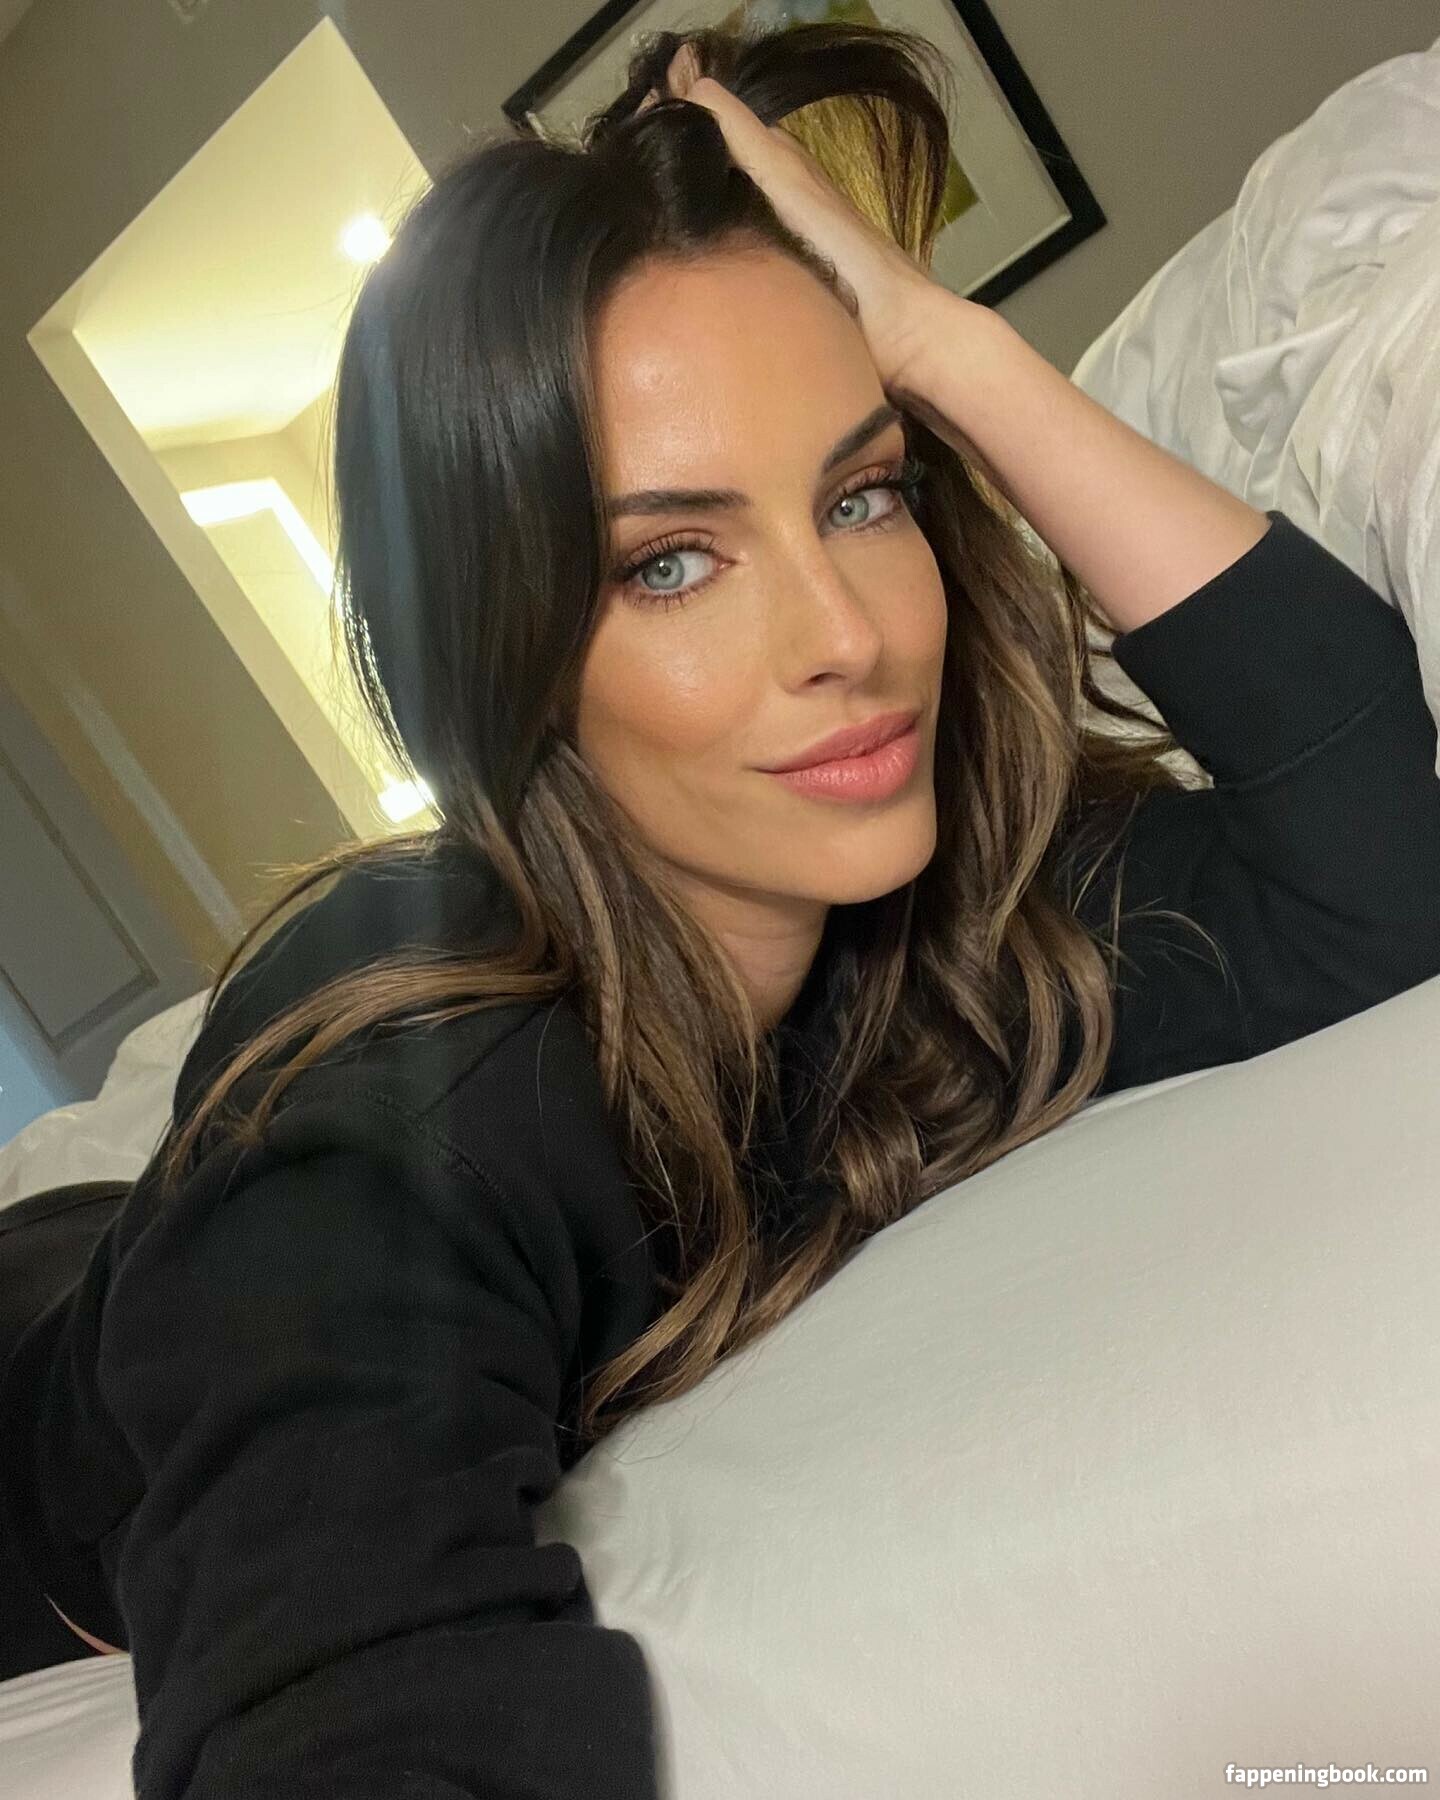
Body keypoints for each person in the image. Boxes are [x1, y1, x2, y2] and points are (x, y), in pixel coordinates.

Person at [3, 17, 1438, 1797]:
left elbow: (1380, 872)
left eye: (863, 492)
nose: (848, 636)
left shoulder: (919, 908)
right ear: (506, 659)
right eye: (670, 561)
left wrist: (946, 346)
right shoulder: (415, 1095)